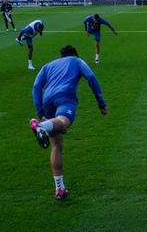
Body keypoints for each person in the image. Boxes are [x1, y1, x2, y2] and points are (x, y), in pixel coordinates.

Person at [28, 46, 108, 200]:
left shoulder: (48, 65)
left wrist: (41, 113)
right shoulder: (77, 60)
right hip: (65, 97)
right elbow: (91, 77)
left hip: (47, 101)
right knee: (64, 122)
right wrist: (101, 103)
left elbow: (36, 87)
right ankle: (42, 126)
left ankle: (60, 188)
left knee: (57, 145)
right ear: (75, 54)